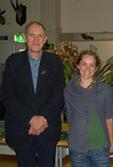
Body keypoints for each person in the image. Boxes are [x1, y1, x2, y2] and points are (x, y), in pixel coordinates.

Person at [2, 21, 64, 167]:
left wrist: (41, 121)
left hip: (47, 128)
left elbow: (58, 95)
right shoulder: (13, 62)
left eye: (40, 36)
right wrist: (31, 119)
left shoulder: (54, 62)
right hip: (21, 129)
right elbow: (8, 96)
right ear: (25, 37)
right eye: (32, 35)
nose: (36, 40)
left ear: (45, 39)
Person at [64, 50, 113, 167]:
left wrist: (112, 141)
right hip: (77, 148)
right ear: (77, 65)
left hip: (100, 146)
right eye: (84, 64)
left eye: (91, 65)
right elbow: (70, 116)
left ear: (96, 68)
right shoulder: (69, 90)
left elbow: (109, 118)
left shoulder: (105, 90)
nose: (87, 68)